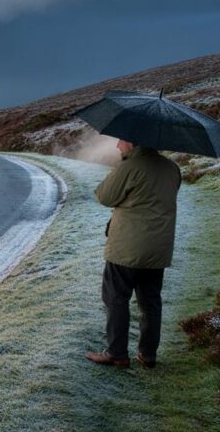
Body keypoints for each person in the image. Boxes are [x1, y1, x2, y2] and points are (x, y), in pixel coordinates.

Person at [86, 139, 181, 369]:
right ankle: (148, 355)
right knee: (150, 301)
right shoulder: (172, 168)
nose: (118, 146)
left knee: (116, 297)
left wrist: (122, 172)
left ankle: (117, 353)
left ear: (133, 142)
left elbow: (105, 196)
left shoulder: (130, 167)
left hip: (127, 248)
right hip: (158, 248)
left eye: (121, 141)